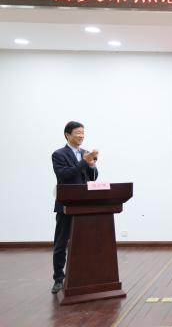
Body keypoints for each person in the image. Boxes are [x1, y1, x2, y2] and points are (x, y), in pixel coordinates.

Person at [50, 121, 98, 294]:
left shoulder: (85, 153)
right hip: (66, 205)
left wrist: (91, 165)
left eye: (83, 132)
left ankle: (82, 275)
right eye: (78, 132)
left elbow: (92, 177)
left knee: (84, 242)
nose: (81, 135)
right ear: (67, 135)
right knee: (61, 243)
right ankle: (58, 279)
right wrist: (84, 162)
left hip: (84, 205)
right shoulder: (59, 154)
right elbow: (65, 175)